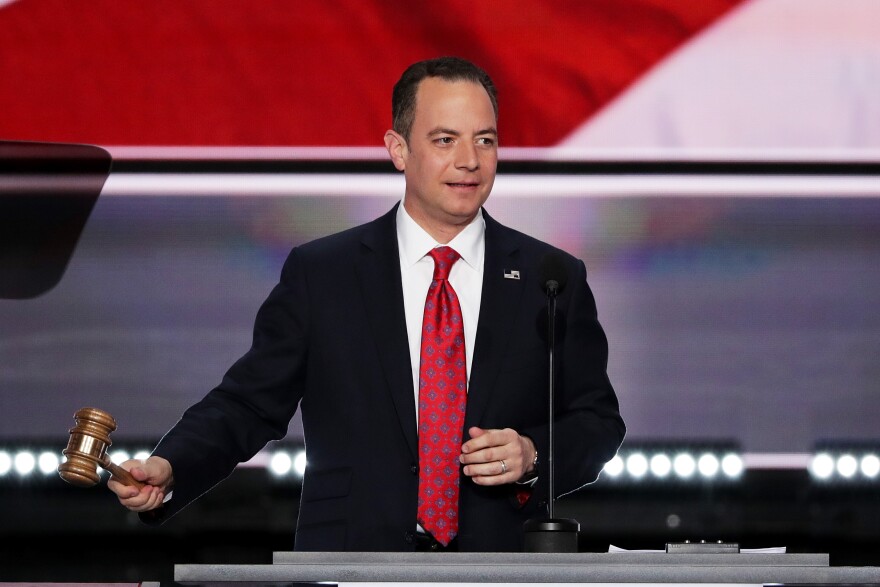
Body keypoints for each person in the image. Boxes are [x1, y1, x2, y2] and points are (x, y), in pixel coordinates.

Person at [109, 56, 625, 552]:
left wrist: (534, 453)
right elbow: (247, 403)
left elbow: (597, 422)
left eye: (484, 140)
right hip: (351, 555)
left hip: (502, 561)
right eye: (445, 140)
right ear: (398, 149)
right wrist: (172, 465)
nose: (469, 160)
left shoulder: (550, 277)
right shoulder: (324, 273)